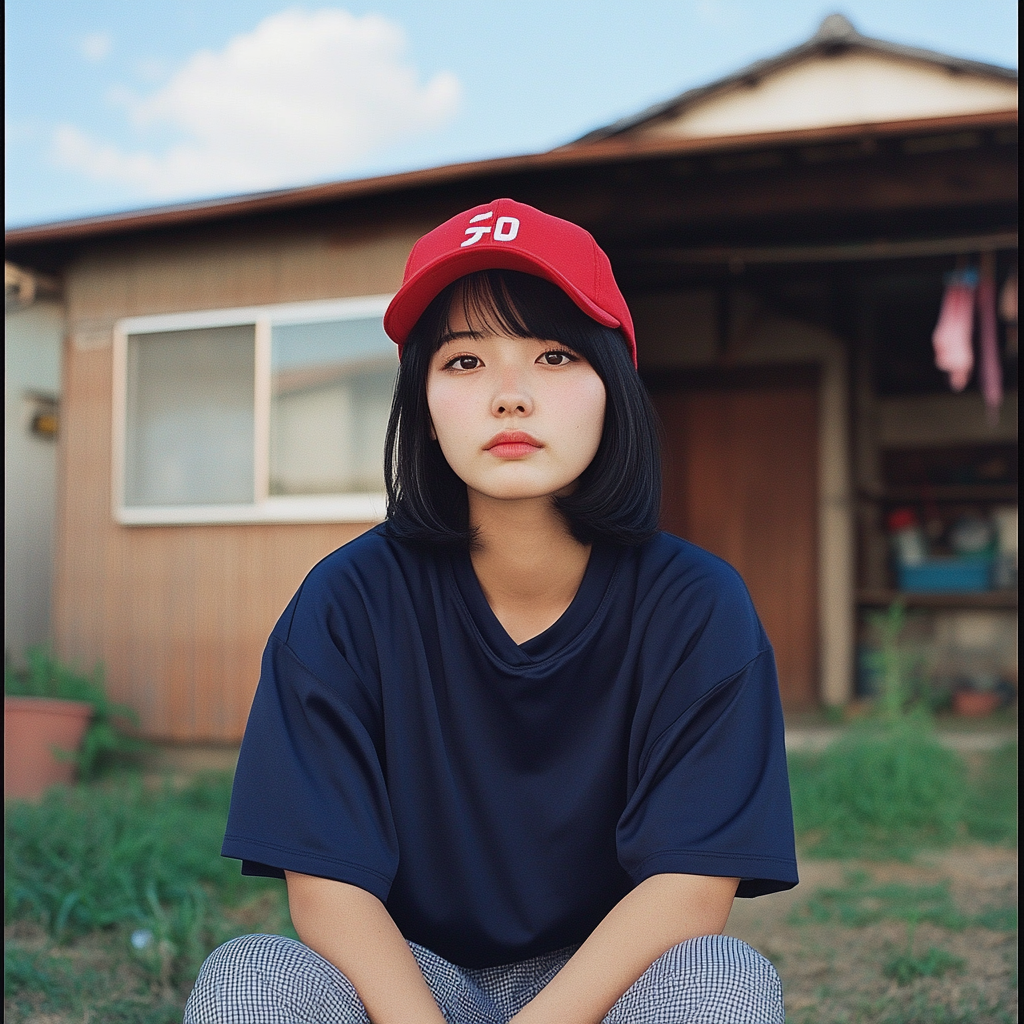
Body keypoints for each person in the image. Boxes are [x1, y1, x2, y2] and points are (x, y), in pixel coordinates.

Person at [185, 199, 798, 1024]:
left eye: (552, 355)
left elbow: (690, 891)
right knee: (250, 977)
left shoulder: (697, 606)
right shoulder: (347, 599)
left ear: (611, 386)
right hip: (411, 981)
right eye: (465, 362)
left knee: (725, 977)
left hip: (606, 983)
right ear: (425, 408)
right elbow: (326, 887)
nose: (510, 396)